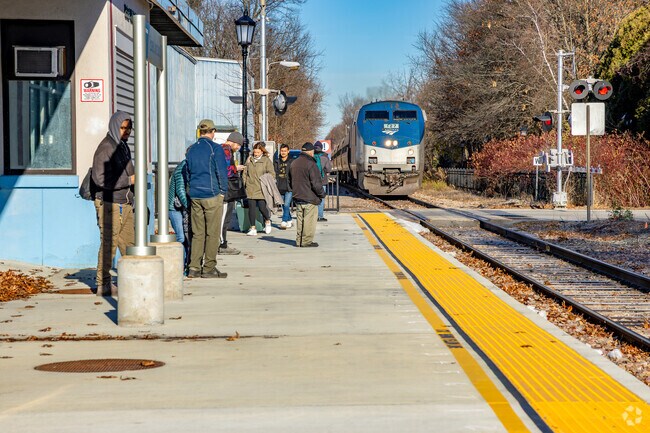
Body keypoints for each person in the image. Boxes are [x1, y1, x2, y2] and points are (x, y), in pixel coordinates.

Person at [91, 111, 135, 296]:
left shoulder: (123, 147)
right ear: (114, 126)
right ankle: (103, 283)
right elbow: (99, 179)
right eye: (122, 127)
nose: (126, 131)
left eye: (128, 128)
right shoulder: (106, 148)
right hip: (109, 203)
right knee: (109, 244)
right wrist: (128, 181)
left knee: (130, 245)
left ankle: (134, 279)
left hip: (125, 203)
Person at [185, 119, 229, 278]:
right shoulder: (215, 148)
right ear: (213, 131)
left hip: (195, 194)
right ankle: (209, 267)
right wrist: (223, 192)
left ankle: (194, 267)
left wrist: (190, 190)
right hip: (211, 194)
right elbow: (221, 172)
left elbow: (188, 172)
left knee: (197, 233)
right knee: (212, 233)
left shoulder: (191, 149)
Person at [290, 142, 325, 247]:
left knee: (300, 221)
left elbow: (289, 180)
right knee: (309, 222)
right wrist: (321, 194)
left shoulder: (294, 163)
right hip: (310, 197)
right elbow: (316, 183)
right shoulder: (311, 164)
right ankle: (306, 242)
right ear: (310, 152)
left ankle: (299, 241)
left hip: (297, 196)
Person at [219, 131, 246, 255]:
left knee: (225, 218)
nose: (239, 148)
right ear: (234, 142)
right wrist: (236, 168)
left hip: (223, 190)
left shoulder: (221, 149)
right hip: (226, 191)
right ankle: (222, 244)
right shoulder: (226, 150)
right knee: (224, 218)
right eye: (239, 145)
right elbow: (225, 170)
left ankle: (222, 242)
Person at [244, 142, 275, 236]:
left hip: (261, 187)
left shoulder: (266, 161)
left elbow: (272, 173)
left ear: (262, 151)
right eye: (255, 152)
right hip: (250, 187)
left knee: (262, 207)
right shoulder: (249, 160)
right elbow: (245, 172)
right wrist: (245, 183)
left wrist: (266, 181)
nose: (256, 154)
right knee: (251, 208)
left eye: (257, 152)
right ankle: (252, 227)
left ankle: (267, 220)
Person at [168, 159, 190, 269]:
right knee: (181, 237)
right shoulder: (181, 169)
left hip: (181, 207)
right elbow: (180, 190)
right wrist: (189, 206)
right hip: (174, 208)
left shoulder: (188, 167)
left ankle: (185, 264)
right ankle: (178, 265)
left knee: (186, 238)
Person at [274, 143, 293, 229]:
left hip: (289, 187)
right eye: (282, 151)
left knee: (286, 205)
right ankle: (289, 219)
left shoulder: (291, 161)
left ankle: (284, 221)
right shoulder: (277, 162)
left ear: (288, 151)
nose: (283, 152)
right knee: (283, 205)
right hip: (279, 186)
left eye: (285, 151)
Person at [314, 141, 332, 222]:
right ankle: (320, 216)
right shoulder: (325, 157)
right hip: (322, 181)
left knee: (313, 198)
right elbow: (329, 169)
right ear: (321, 148)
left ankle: (313, 216)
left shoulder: (311, 156)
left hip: (312, 180)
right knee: (321, 198)